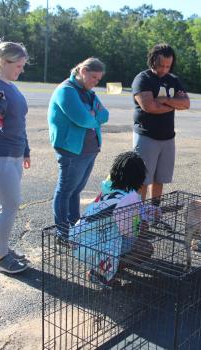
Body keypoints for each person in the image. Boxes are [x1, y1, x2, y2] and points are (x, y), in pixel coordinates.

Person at [69, 151, 156, 284]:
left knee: (119, 238)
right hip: (95, 246)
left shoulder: (108, 188)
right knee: (146, 248)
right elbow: (130, 232)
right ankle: (101, 272)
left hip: (78, 240)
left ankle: (104, 267)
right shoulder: (129, 198)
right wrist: (141, 227)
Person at [0, 40, 30, 274]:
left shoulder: (12, 86)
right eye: (18, 66)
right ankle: (1, 259)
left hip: (14, 153)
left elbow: (20, 122)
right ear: (3, 61)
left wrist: (26, 150)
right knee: (10, 204)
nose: (21, 70)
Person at [48, 58, 109, 236]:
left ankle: (75, 226)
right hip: (72, 151)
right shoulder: (66, 90)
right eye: (93, 77)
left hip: (89, 149)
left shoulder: (88, 92)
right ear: (82, 71)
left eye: (98, 79)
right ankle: (63, 232)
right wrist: (92, 116)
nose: (96, 82)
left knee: (76, 191)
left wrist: (92, 116)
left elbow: (105, 115)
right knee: (65, 191)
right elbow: (82, 119)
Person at [132, 43, 190, 206]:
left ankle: (154, 212)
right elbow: (149, 107)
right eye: (161, 65)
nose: (164, 69)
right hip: (146, 136)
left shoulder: (173, 79)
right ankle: (139, 214)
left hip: (167, 138)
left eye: (168, 66)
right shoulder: (142, 79)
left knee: (160, 178)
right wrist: (174, 104)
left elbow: (186, 103)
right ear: (152, 61)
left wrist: (164, 100)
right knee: (142, 179)